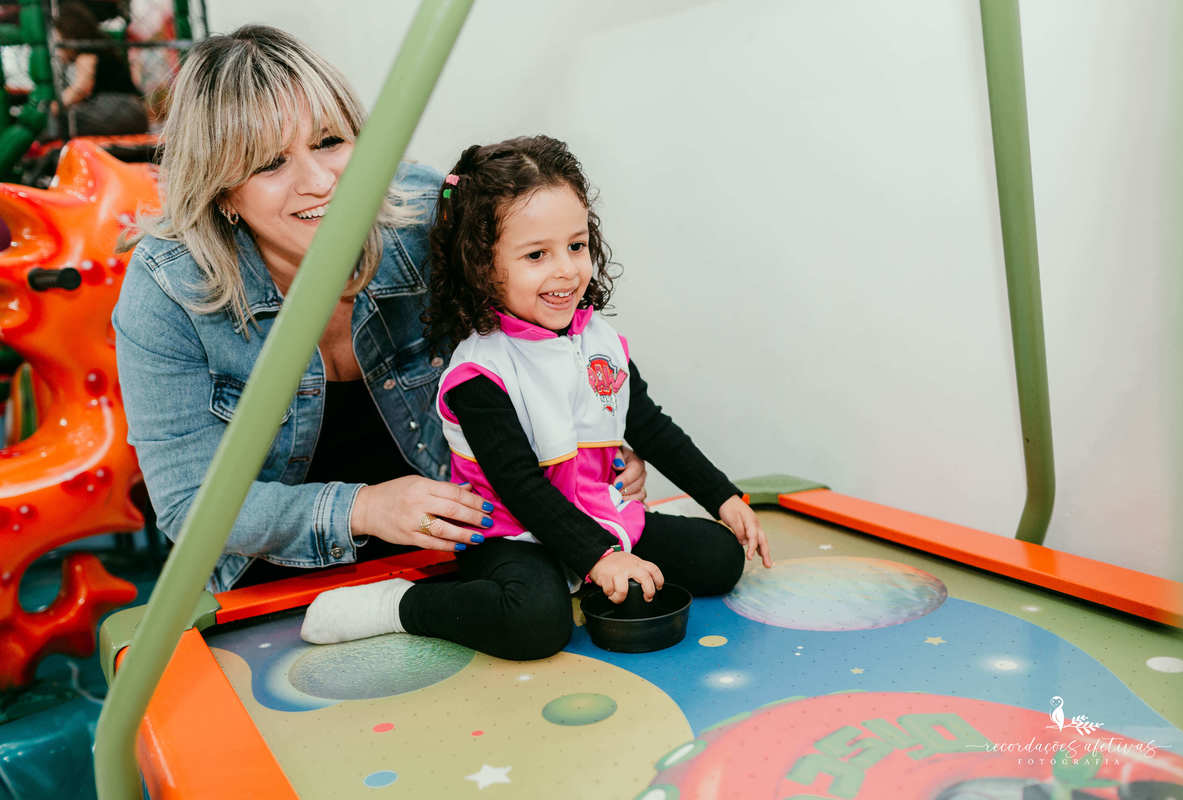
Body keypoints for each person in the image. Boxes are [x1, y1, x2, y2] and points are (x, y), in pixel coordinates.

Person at [113, 27, 646, 594]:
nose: (319, 182)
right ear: (222, 191)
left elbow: (544, 344)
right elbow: (188, 508)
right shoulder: (166, 290)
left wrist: (596, 441)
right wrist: (363, 509)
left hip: (468, 542)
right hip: (271, 580)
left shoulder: (428, 215)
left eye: (329, 142)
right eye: (270, 163)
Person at [300, 135, 773, 660]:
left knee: (721, 559)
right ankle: (401, 605)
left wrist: (724, 499)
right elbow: (521, 487)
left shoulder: (598, 341)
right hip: (510, 532)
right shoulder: (479, 372)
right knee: (536, 624)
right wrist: (603, 559)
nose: (566, 270)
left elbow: (650, 425)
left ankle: (589, 573)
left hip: (596, 516)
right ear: (483, 266)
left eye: (576, 245)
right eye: (536, 255)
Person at [50, 2, 149, 137]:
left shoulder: (86, 54)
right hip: (136, 112)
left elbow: (81, 88)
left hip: (119, 110)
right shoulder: (101, 49)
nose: (59, 50)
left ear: (69, 37)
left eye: (59, 39)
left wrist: (54, 107)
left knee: (57, 122)